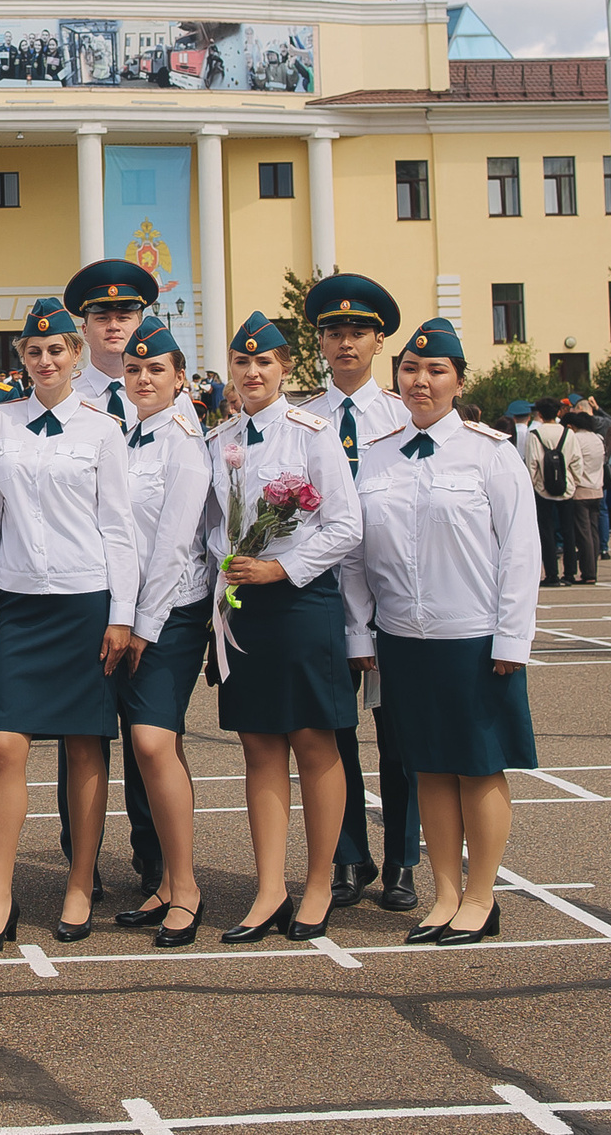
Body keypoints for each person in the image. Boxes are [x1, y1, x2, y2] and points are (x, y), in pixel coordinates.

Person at [347, 319, 540, 947]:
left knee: (478, 767)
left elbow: (519, 551)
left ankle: (482, 897)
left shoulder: (491, 452)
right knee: (427, 767)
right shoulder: (376, 453)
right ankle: (445, 895)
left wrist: (512, 638)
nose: (421, 382)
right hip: (403, 636)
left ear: (459, 380)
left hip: (474, 635)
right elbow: (356, 556)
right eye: (410, 370)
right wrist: (362, 633)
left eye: (436, 372)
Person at [0, 299, 138, 956]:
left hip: (83, 603)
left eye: (57, 350)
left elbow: (119, 528)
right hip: (19, 605)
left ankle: (80, 882)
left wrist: (121, 613)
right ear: (22, 360)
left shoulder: (103, 429)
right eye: (34, 352)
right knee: (6, 745)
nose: (45, 361)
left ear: (76, 354)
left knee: (85, 745)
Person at [206, 309, 364, 943]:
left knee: (313, 742)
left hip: (300, 604)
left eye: (263, 362)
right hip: (244, 606)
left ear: (286, 368)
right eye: (242, 363)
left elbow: (346, 527)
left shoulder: (313, 431)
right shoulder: (219, 440)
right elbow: (212, 525)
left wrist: (281, 569)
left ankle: (319, 881)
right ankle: (269, 887)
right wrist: (227, 568)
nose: (251, 373)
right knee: (258, 746)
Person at [301, 274, 420, 913]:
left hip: (394, 597)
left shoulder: (405, 417)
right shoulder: (301, 420)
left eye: (357, 332)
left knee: (399, 738)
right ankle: (347, 858)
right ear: (319, 342)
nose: (345, 342)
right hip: (322, 599)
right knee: (330, 737)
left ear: (379, 342)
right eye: (333, 332)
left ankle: (402, 859)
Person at [94, 315, 215, 947]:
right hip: (124, 613)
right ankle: (166, 881)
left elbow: (173, 546)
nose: (143, 378)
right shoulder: (123, 435)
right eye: (135, 369)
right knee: (146, 746)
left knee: (150, 742)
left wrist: (140, 624)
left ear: (180, 379)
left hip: (171, 613)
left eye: (156, 370)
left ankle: (186, 888)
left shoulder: (183, 445)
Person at [57, 259, 163, 895]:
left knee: (151, 741)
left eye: (125, 313)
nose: (114, 323)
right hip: (81, 594)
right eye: (101, 314)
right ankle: (83, 864)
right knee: (82, 739)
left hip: (153, 597)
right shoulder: (62, 400)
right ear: (84, 327)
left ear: (142, 319)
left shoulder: (166, 397)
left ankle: (154, 862)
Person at [522, 400, 578, 583]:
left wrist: (531, 484)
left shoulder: (535, 434)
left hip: (542, 488)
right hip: (566, 487)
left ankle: (551, 574)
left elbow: (532, 463)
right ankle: (570, 572)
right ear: (558, 412)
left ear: (539, 414)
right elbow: (577, 461)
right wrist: (574, 480)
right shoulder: (568, 433)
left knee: (546, 531)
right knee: (569, 531)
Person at [554, 412, 606, 586]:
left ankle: (588, 572)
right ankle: (593, 570)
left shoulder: (575, 439)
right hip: (597, 489)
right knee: (593, 532)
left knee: (583, 535)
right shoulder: (597, 438)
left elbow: (571, 462)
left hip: (581, 490)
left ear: (571, 426)